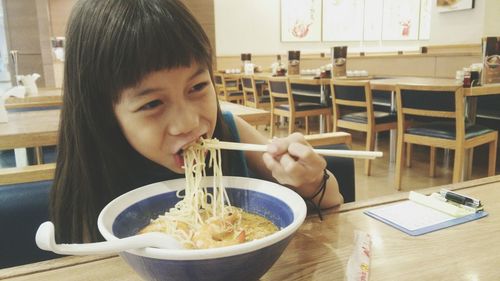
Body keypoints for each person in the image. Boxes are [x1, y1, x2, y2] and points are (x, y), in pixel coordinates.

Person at [50, 0, 343, 244]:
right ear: (102, 112)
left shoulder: (231, 131)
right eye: (152, 103)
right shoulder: (92, 172)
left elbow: (331, 200)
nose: (188, 123)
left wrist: (311, 179)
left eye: (197, 87)